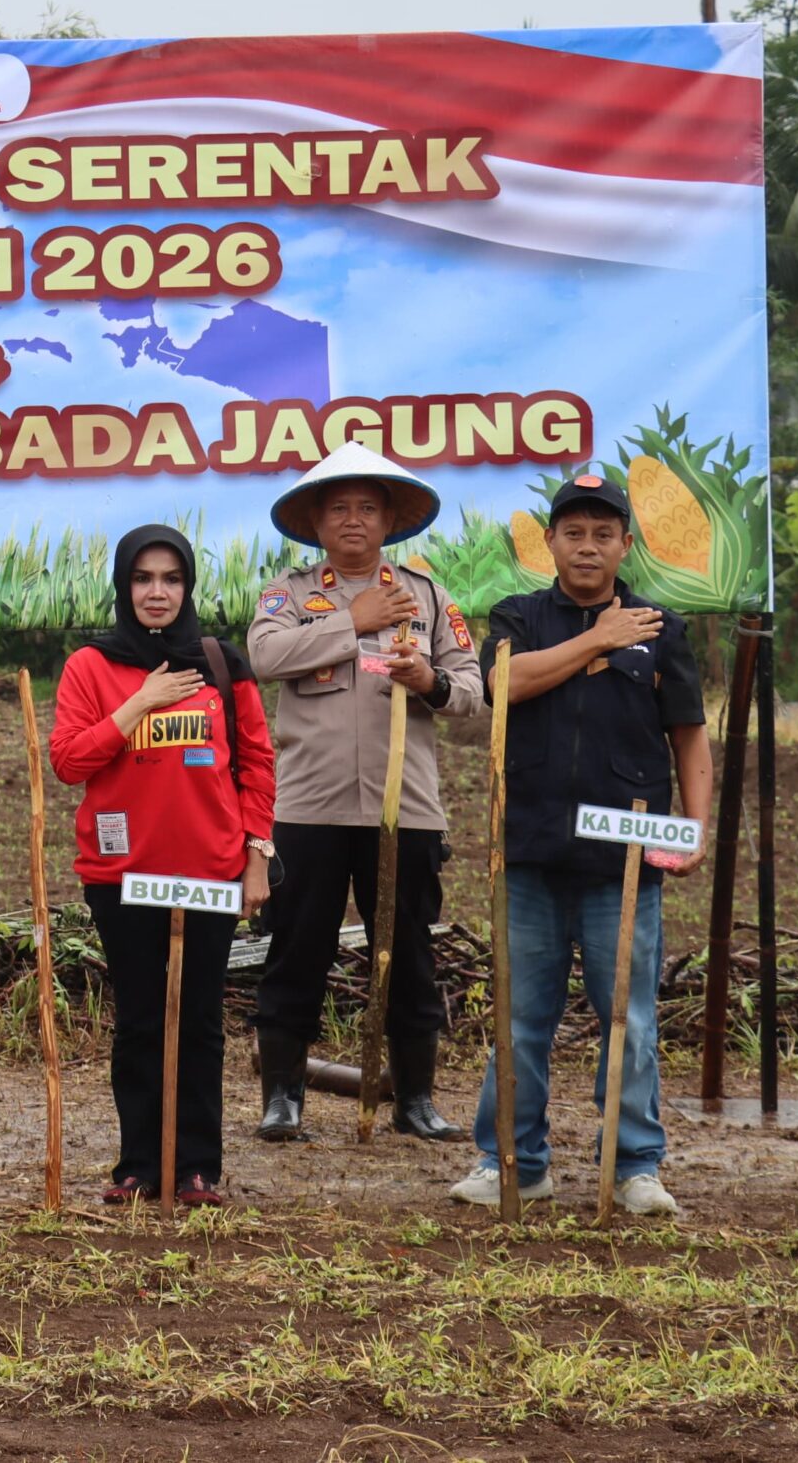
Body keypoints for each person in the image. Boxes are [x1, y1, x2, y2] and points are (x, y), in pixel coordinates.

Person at [451, 473, 711, 1216]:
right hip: (531, 846)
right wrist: (597, 637)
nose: (588, 546)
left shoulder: (663, 628)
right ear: (551, 542)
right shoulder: (520, 615)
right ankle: (513, 1159)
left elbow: (688, 733)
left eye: (604, 533)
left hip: (623, 856)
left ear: (625, 544)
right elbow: (503, 680)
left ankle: (634, 1165)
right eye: (574, 532)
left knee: (627, 1015)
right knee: (521, 1014)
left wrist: (694, 825)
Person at [247, 441, 482, 1143]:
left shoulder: (431, 596)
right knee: (296, 951)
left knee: (409, 953)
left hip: (404, 811)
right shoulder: (286, 594)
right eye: (339, 507)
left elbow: (471, 688)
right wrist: (355, 619)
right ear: (316, 521)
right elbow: (264, 656)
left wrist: (429, 682)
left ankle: (416, 1098)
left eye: (368, 508)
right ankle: (282, 1096)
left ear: (389, 521)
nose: (353, 520)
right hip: (308, 809)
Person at [49, 525, 275, 1207]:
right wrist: (137, 704)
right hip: (122, 875)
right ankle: (139, 1164)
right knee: (142, 1020)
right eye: (143, 579)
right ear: (124, 586)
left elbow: (257, 762)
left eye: (170, 579)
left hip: (208, 868)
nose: (156, 592)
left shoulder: (220, 662)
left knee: (201, 1021)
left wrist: (257, 856)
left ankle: (199, 1166)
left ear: (188, 587)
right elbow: (68, 762)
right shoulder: (90, 665)